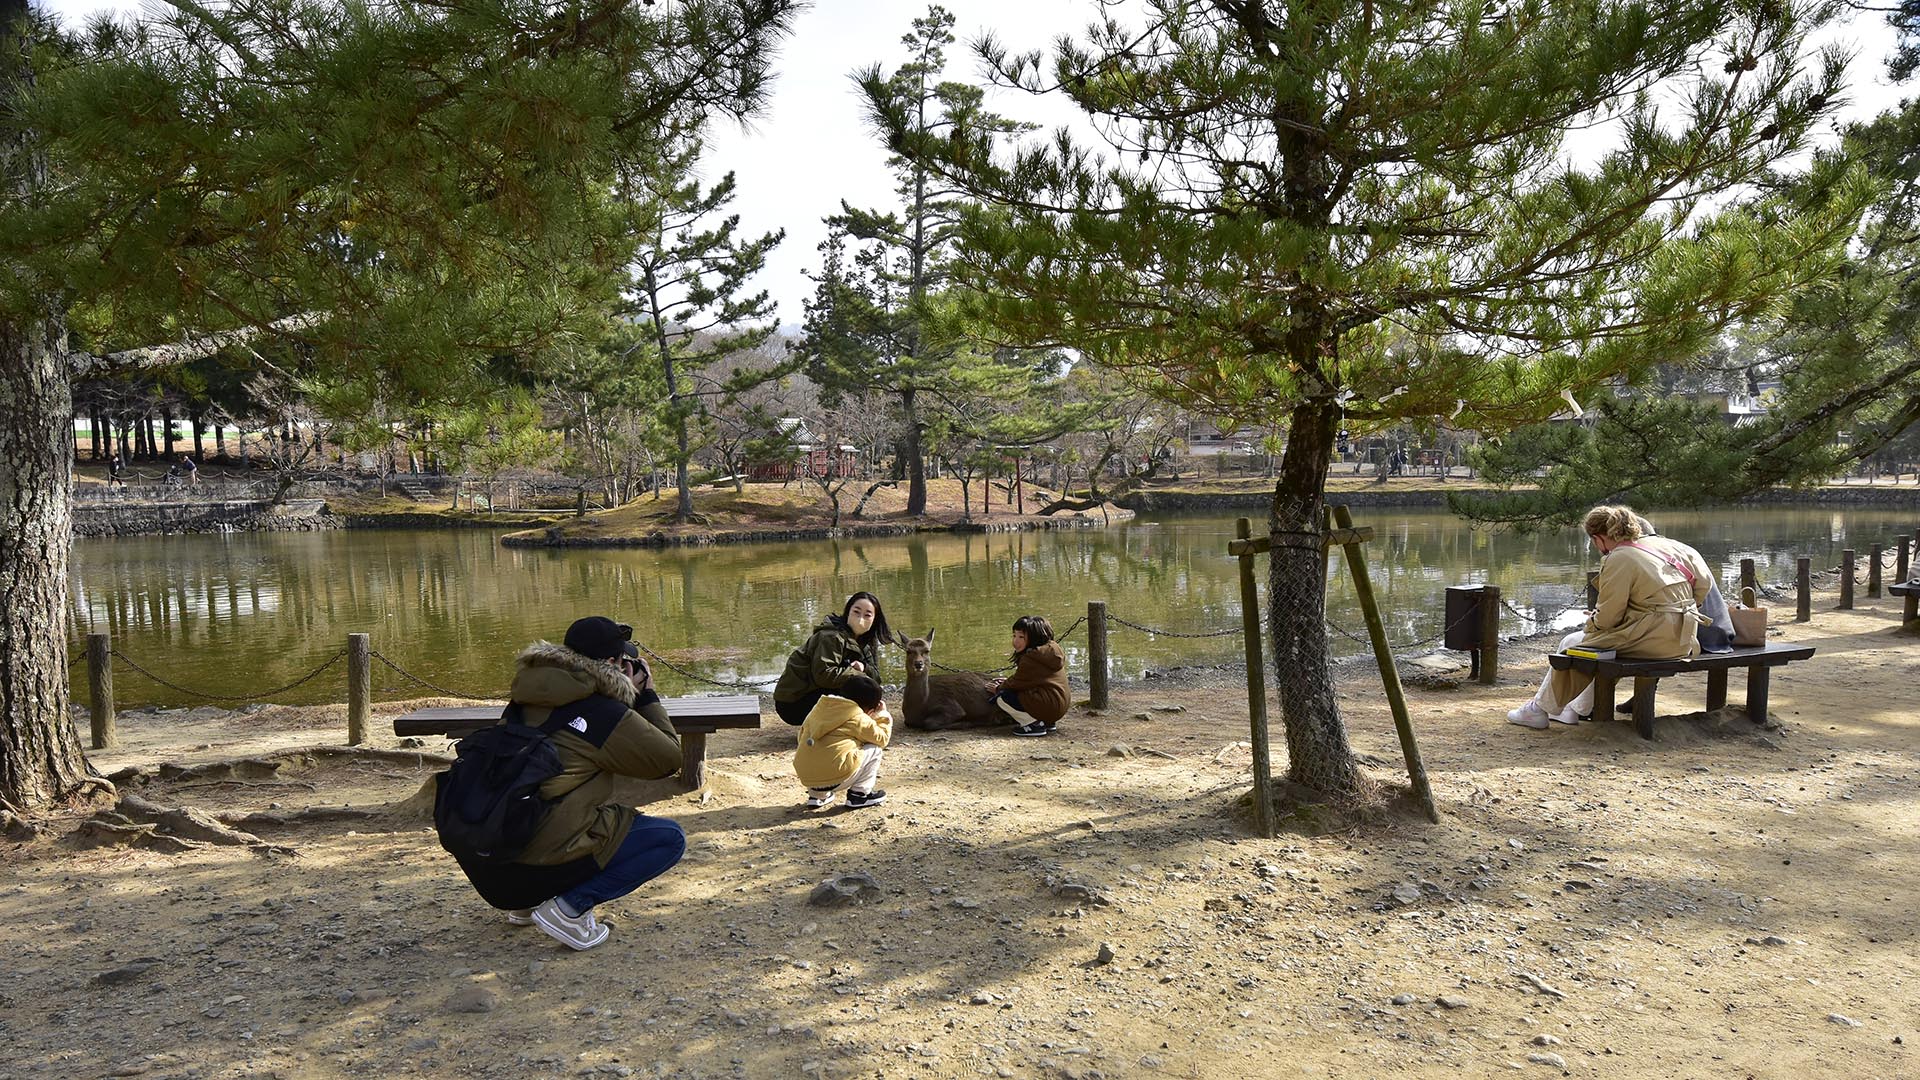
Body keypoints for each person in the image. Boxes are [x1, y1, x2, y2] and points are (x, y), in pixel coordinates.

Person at [449, 615, 687, 951]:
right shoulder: (603, 714)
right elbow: (667, 760)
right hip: (535, 866)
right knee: (668, 839)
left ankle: (526, 908)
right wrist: (646, 697)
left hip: (490, 871)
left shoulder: (522, 701)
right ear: (612, 664)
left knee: (550, 801)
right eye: (625, 661)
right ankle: (569, 909)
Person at [1508, 506, 1716, 729]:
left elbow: (1608, 619)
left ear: (1598, 538)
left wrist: (1593, 621)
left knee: (1576, 643)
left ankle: (1538, 710)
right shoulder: (1675, 546)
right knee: (1598, 647)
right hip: (1684, 640)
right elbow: (1704, 586)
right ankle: (1575, 709)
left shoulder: (1619, 556)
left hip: (1652, 640)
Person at [773, 592, 893, 727]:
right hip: (794, 703)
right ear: (848, 612)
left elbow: (876, 678)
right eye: (856, 612)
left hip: (816, 694)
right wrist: (857, 674)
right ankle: (848, 728)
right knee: (862, 689)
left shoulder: (864, 641)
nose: (860, 618)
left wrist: (864, 668)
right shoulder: (831, 637)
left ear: (875, 619)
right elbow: (824, 675)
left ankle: (852, 725)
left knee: (871, 691)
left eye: (867, 615)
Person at [793, 673, 892, 809]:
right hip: (837, 778)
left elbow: (801, 737)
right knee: (874, 748)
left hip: (807, 776)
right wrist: (882, 715)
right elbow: (882, 739)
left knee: (819, 750)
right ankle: (859, 795)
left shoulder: (819, 709)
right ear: (868, 709)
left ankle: (817, 796)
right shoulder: (856, 716)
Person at [989, 615, 1070, 737]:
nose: (1015, 641)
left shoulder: (1031, 658)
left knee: (1002, 697)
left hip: (1049, 705)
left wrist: (998, 688)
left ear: (1034, 638)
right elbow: (1030, 678)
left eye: (1021, 637)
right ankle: (1047, 723)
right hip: (1059, 706)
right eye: (1014, 636)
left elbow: (1017, 682)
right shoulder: (1051, 650)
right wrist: (1009, 681)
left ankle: (1033, 725)